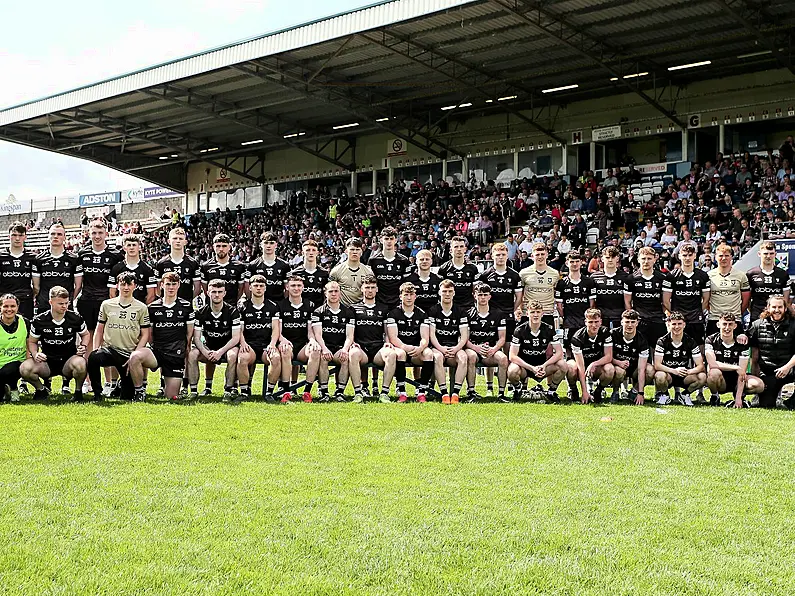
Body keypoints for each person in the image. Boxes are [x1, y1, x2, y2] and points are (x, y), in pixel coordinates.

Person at [128, 272, 195, 402]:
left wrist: (184, 349)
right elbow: (149, 333)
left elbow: (189, 333)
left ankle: (169, 384)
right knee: (135, 356)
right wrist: (154, 346)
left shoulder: (187, 306)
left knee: (170, 397)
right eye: (168, 284)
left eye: (174, 284)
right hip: (157, 353)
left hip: (175, 356)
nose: (171, 287)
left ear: (179, 285)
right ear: (162, 285)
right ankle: (139, 391)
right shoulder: (152, 307)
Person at [87, 271, 151, 402]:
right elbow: (99, 330)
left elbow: (145, 334)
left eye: (129, 284)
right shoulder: (106, 304)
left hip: (127, 354)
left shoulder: (142, 308)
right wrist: (96, 348)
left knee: (126, 396)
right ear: (117, 286)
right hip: (109, 350)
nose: (126, 288)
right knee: (93, 358)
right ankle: (98, 394)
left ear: (135, 286)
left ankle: (122, 386)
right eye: (122, 284)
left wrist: (135, 354)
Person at [76, 218, 122, 395]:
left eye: (100, 233)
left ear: (106, 234)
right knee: (88, 343)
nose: (97, 236)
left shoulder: (115, 255)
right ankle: (88, 381)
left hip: (107, 303)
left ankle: (110, 383)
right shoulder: (82, 253)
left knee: (108, 344)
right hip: (87, 302)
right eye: (93, 233)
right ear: (89, 233)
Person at [21, 286, 89, 401]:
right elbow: (32, 341)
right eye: (60, 303)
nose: (64, 306)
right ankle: (41, 390)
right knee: (25, 368)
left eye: (66, 303)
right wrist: (35, 353)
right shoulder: (40, 320)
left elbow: (86, 334)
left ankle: (78, 393)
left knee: (81, 364)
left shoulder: (75, 318)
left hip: (68, 361)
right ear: (50, 302)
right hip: (47, 362)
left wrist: (83, 346)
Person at [186, 279, 241, 400]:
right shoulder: (200, 312)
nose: (217, 295)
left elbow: (236, 337)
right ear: (207, 293)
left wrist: (220, 352)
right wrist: (205, 352)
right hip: (208, 347)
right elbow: (196, 338)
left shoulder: (232, 312)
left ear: (224, 293)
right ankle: (194, 391)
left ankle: (228, 390)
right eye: (214, 292)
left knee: (233, 355)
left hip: (226, 348)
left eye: (220, 292)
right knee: (192, 354)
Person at [348, 276, 395, 403]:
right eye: (367, 287)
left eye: (372, 288)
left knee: (391, 354)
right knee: (353, 354)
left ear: (377, 289)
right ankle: (358, 393)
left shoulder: (384, 308)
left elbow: (386, 329)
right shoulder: (353, 308)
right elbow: (350, 330)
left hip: (378, 348)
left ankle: (384, 393)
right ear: (361, 289)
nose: (370, 290)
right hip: (361, 348)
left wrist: (388, 342)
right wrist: (352, 343)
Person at [235, 274, 281, 403]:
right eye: (256, 286)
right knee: (242, 358)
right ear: (250, 288)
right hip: (250, 344)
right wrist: (242, 343)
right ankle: (244, 392)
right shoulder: (243, 306)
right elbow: (240, 329)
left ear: (265, 288)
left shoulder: (272, 306)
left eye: (261, 286)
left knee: (276, 358)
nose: (258, 288)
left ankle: (269, 392)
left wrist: (272, 344)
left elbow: (275, 328)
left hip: (266, 344)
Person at [507, 300, 565, 402]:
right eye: (533, 312)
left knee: (563, 365)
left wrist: (544, 366)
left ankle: (551, 392)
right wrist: (532, 368)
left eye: (538, 312)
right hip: (525, 368)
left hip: (542, 367)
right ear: (527, 313)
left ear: (542, 314)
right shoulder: (520, 330)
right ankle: (519, 390)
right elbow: (512, 356)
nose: (535, 315)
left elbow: (559, 353)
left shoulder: (548, 329)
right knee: (512, 370)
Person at [385, 282, 434, 403]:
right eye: (406, 294)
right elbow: (393, 338)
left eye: (411, 294)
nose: (409, 297)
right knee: (400, 353)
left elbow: (425, 337)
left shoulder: (422, 314)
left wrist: (421, 347)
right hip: (401, 348)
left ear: (415, 296)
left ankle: (421, 391)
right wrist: (405, 347)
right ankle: (402, 392)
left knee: (428, 354)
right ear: (400, 296)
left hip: (416, 350)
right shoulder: (393, 313)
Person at [705, 313, 763, 408]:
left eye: (730, 324)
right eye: (724, 324)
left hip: (736, 380)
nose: (727, 328)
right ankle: (715, 396)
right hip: (721, 380)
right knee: (713, 373)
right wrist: (735, 367)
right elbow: (712, 364)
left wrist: (738, 398)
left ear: (735, 326)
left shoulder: (742, 343)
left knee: (759, 385)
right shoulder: (710, 340)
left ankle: (738, 396)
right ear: (718, 324)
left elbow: (742, 372)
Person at [310, 281, 356, 402]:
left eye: (336, 291)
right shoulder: (318, 311)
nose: (334, 294)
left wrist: (345, 349)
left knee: (345, 358)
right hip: (325, 346)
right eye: (331, 291)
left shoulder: (348, 312)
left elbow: (350, 336)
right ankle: (324, 392)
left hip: (340, 347)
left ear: (340, 293)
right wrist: (324, 349)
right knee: (323, 358)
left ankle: (339, 392)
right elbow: (318, 335)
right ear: (325, 293)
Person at [746, 295, 795, 409]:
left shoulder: (793, 325)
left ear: (785, 308)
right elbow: (754, 356)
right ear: (768, 308)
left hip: (789, 368)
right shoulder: (757, 325)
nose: (777, 310)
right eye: (774, 307)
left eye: (780, 307)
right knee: (767, 404)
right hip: (768, 371)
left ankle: (791, 401)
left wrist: (787, 367)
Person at [464, 283, 509, 402]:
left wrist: (494, 349)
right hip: (473, 348)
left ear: (490, 296)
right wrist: (475, 347)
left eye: (485, 295)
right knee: (471, 357)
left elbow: (502, 338)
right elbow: (464, 339)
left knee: (503, 358)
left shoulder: (498, 314)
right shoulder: (468, 314)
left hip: (491, 350)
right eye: (480, 295)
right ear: (474, 296)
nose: (482, 298)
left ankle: (501, 394)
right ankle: (471, 392)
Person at [277, 275, 318, 403]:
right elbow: (277, 330)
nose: (296, 288)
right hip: (286, 342)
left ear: (303, 287)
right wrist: (282, 339)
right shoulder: (280, 305)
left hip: (302, 346)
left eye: (299, 285)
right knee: (285, 351)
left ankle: (307, 391)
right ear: (287, 287)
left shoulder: (310, 305)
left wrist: (312, 341)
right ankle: (286, 391)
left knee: (316, 351)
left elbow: (310, 330)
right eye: (293, 285)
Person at [428, 279, 469, 404]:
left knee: (463, 357)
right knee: (437, 357)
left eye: (450, 291)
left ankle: (455, 393)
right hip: (437, 346)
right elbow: (431, 334)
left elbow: (464, 336)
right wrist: (441, 348)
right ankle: (444, 393)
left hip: (454, 347)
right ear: (439, 293)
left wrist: (456, 349)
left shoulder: (460, 311)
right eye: (444, 291)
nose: (447, 294)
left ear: (454, 293)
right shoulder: (433, 310)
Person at [652, 312, 706, 406]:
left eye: (679, 324)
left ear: (684, 325)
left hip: (684, 375)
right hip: (668, 374)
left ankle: (685, 395)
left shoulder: (690, 341)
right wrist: (674, 371)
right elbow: (657, 365)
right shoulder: (662, 341)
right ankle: (665, 395)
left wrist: (689, 372)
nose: (677, 327)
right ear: (669, 324)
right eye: (674, 324)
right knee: (659, 375)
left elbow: (700, 366)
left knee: (702, 377)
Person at [662, 244, 710, 347]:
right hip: (678, 321)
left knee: (699, 351)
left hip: (696, 320)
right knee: (677, 350)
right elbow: (666, 301)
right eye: (684, 255)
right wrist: (676, 315)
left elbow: (706, 300)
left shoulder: (703, 276)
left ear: (695, 256)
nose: (687, 258)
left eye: (690, 255)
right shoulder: (671, 276)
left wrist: (696, 312)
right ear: (679, 256)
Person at [32, 223, 82, 313]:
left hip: (65, 307)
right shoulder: (39, 259)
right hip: (44, 306)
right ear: (48, 236)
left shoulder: (74, 259)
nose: (56, 237)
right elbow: (36, 287)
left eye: (59, 234)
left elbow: (78, 286)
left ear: (64, 237)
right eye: (52, 234)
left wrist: (67, 301)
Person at [624, 246, 669, 349]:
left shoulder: (662, 278)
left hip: (658, 320)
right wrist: (633, 319)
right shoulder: (631, 279)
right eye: (643, 258)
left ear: (655, 259)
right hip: (640, 321)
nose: (646, 261)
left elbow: (665, 301)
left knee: (659, 353)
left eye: (649, 258)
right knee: (641, 354)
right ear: (639, 259)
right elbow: (627, 302)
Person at [567, 308, 614, 403]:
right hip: (580, 364)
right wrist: (584, 392)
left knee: (610, 369)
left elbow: (609, 357)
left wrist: (594, 364)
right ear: (585, 322)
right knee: (571, 367)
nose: (594, 325)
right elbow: (581, 366)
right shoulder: (577, 337)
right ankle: (573, 390)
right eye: (590, 322)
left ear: (601, 321)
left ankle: (598, 391)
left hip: (596, 366)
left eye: (596, 321)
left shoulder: (605, 332)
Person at [555, 251, 596, 356]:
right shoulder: (562, 283)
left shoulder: (589, 281)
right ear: (567, 263)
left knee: (586, 349)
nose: (574, 264)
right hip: (569, 322)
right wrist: (566, 318)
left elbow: (592, 304)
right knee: (569, 349)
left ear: (581, 262)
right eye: (572, 261)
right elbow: (559, 306)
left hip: (585, 321)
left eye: (577, 261)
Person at [609, 309, 652, 405]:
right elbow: (606, 356)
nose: (630, 325)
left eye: (633, 322)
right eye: (627, 322)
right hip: (618, 367)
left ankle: (634, 391)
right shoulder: (612, 334)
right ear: (621, 322)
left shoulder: (642, 340)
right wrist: (618, 362)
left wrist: (641, 393)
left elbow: (641, 369)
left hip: (634, 369)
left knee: (650, 370)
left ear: (637, 323)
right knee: (619, 371)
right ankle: (615, 392)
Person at [706, 243, 750, 336]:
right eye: (721, 256)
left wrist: (737, 313)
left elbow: (746, 300)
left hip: (734, 320)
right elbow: (706, 299)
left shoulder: (741, 276)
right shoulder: (708, 276)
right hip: (714, 319)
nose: (724, 258)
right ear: (715, 257)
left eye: (727, 256)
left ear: (731, 257)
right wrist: (714, 311)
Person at [368, 227, 412, 311]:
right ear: (381, 240)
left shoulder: (404, 260)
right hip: (379, 301)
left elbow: (407, 282)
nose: (389, 241)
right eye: (386, 239)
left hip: (398, 302)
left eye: (391, 239)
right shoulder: (373, 260)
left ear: (395, 240)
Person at [746, 241, 790, 322]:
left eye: (771, 253)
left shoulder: (783, 274)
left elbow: (786, 299)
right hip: (757, 316)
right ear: (759, 254)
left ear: (775, 254)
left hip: (776, 316)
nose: (768, 256)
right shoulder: (751, 274)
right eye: (765, 253)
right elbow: (747, 299)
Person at [154, 227, 202, 303]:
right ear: (169, 241)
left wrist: (188, 301)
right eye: (175, 238)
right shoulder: (161, 263)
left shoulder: (193, 263)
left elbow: (197, 288)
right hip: (166, 306)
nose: (178, 241)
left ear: (185, 242)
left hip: (186, 306)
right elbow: (157, 288)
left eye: (181, 239)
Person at [519, 242, 560, 329]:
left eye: (542, 254)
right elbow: (519, 294)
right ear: (532, 256)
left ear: (547, 255)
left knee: (549, 342)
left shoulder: (555, 274)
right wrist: (519, 309)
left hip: (547, 313)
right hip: (528, 313)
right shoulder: (524, 273)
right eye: (537, 254)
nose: (540, 257)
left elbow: (557, 293)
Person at [0, 222, 35, 322]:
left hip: (25, 301)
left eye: (20, 235)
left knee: (26, 331)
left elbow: (36, 285)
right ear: (8, 236)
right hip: (5, 302)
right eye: (14, 235)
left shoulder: (32, 257)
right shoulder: (1, 256)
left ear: (25, 237)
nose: (17, 238)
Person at [109, 234, 157, 305]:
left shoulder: (147, 269)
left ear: (139, 247)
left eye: (134, 245)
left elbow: (151, 295)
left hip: (139, 311)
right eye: (129, 245)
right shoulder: (116, 268)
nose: (131, 248)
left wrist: (142, 309)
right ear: (124, 248)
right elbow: (112, 294)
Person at [200, 233, 247, 304]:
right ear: (213, 247)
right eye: (218, 246)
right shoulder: (205, 266)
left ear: (229, 247)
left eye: (224, 246)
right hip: (211, 306)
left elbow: (241, 289)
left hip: (232, 307)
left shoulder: (239, 266)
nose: (221, 249)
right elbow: (205, 289)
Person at [590, 246, 629, 330]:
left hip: (620, 317)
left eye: (613, 257)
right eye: (607, 257)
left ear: (617, 258)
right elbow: (592, 302)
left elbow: (628, 301)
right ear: (602, 258)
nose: (610, 260)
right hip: (601, 318)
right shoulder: (594, 277)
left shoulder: (626, 277)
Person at [246, 231, 291, 303]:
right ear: (261, 244)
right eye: (266, 243)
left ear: (276, 245)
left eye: (271, 243)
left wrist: (283, 303)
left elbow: (288, 288)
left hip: (278, 305)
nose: (268, 246)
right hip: (260, 305)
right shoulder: (253, 265)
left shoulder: (284, 265)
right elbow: (248, 287)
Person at [0, 294, 30, 402]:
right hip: (0, 364)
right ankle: (7, 390)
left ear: (17, 307)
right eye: (5, 306)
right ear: (0, 307)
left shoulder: (25, 322)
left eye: (12, 306)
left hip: (19, 363)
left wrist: (28, 363)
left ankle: (12, 388)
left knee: (8, 371)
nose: (9, 309)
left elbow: (29, 345)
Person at [438, 236, 480, 311]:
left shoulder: (473, 268)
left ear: (465, 249)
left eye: (461, 246)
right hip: (451, 308)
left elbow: (475, 290)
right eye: (456, 247)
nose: (459, 249)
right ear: (451, 250)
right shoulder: (443, 269)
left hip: (468, 307)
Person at [330, 238, 374, 306]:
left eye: (357, 249)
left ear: (362, 251)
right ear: (346, 251)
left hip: (361, 310)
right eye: (352, 249)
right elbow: (329, 292)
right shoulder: (336, 271)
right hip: (342, 309)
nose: (355, 252)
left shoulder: (368, 271)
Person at [288, 239, 329, 311]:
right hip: (300, 312)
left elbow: (326, 295)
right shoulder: (295, 273)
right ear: (303, 253)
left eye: (313, 250)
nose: (311, 252)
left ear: (317, 253)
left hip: (318, 312)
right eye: (308, 250)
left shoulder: (324, 273)